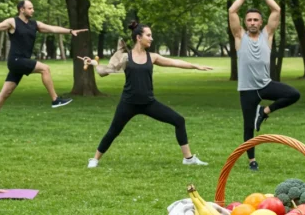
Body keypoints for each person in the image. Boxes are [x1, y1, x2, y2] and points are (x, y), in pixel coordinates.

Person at [80, 21, 212, 168]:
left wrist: (195, 66)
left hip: (149, 103)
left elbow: (174, 62)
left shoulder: (152, 57)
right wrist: (94, 64)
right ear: (138, 37)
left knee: (179, 120)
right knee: (113, 131)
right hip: (128, 103)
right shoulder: (126, 57)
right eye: (148, 35)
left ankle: (188, 159)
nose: (151, 38)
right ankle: (95, 159)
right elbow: (105, 71)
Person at [0, 0, 88, 135]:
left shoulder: (34, 24)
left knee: (5, 93)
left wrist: (70, 31)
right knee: (45, 68)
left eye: (32, 8)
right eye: (30, 8)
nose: (32, 10)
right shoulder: (12, 22)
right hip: (16, 60)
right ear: (22, 9)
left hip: (22, 61)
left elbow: (52, 28)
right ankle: (55, 99)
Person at [229, 0, 301, 171]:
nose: (252, 22)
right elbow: (232, 10)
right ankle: (252, 161)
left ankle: (264, 111)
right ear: (245, 22)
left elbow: (276, 9)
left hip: (265, 85)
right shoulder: (239, 36)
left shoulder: (267, 35)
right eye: (249, 20)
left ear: (261, 23)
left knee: (294, 94)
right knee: (248, 127)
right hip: (247, 89)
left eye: (256, 20)